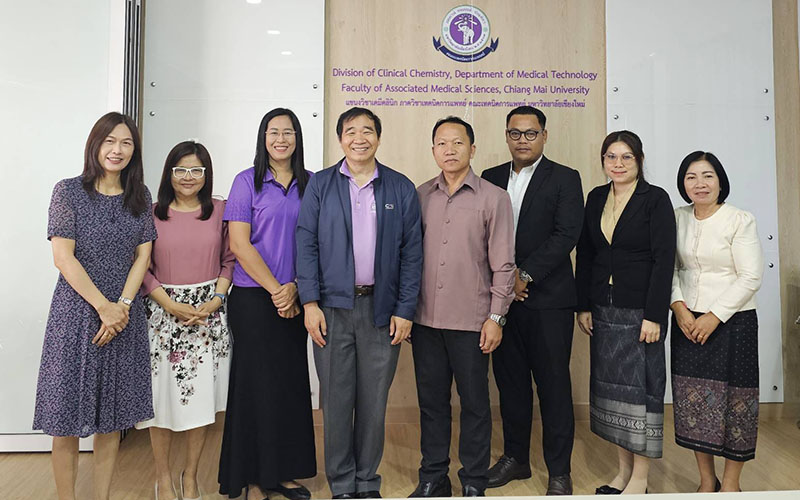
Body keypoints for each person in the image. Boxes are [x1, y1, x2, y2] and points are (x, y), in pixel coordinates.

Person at [296, 107, 422, 499]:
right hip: (331, 310)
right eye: (351, 131)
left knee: (373, 401)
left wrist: (405, 309)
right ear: (340, 139)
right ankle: (342, 483)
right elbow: (306, 243)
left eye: (368, 131)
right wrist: (310, 303)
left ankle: (367, 480)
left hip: (381, 311)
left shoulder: (399, 187)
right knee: (335, 400)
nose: (360, 138)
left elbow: (412, 253)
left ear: (379, 139)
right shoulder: (320, 185)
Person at [33, 112, 156, 500]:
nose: (117, 150)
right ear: (95, 145)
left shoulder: (141, 196)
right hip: (75, 318)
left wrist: (121, 306)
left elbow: (143, 257)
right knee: (64, 421)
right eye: (109, 141)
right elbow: (63, 257)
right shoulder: (68, 191)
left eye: (126, 143)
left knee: (112, 422)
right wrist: (105, 307)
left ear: (134, 151)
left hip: (122, 318)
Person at [410, 116, 515, 498]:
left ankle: (473, 479)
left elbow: (504, 264)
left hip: (473, 320)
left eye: (457, 143)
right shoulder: (419, 196)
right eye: (441, 143)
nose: (449, 150)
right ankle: (433, 476)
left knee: (475, 404)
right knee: (431, 403)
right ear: (433, 149)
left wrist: (496, 317)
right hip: (425, 320)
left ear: (473, 149)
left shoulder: (493, 197)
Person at [481, 106, 584, 495]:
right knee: (510, 385)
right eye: (515, 133)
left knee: (554, 386)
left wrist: (522, 276)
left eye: (530, 133)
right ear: (506, 136)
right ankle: (516, 460)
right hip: (503, 304)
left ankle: (559, 470)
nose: (522, 140)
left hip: (548, 301)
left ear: (544, 135)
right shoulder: (490, 178)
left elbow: (566, 234)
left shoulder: (565, 178)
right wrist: (504, 286)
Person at [218, 108, 316, 500]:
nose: (280, 139)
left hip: (296, 297)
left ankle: (281, 473)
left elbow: (318, 242)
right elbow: (239, 244)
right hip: (255, 300)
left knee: (290, 386)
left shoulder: (312, 183)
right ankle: (248, 474)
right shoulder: (247, 182)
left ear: (297, 138)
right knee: (254, 385)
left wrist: (294, 288)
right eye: (273, 132)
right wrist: (278, 289)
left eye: (288, 132)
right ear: (263, 138)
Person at [575, 130, 675, 495]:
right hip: (604, 307)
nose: (617, 164)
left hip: (640, 311)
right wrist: (583, 305)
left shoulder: (655, 199)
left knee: (643, 392)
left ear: (639, 160)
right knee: (613, 393)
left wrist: (655, 315)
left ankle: (642, 478)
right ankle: (622, 472)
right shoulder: (597, 197)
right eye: (610, 157)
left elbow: (664, 261)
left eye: (626, 157)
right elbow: (586, 253)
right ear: (603, 161)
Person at [135, 141, 234, 500]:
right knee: (160, 403)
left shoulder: (220, 210)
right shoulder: (151, 212)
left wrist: (216, 299)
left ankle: (189, 476)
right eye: (180, 170)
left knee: (202, 402)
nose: (188, 177)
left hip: (208, 316)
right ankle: (162, 478)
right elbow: (140, 265)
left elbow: (230, 260)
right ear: (169, 173)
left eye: (196, 170)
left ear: (206, 175)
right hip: (162, 316)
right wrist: (168, 302)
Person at [670, 151, 763, 493]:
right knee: (694, 402)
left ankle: (732, 485)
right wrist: (678, 306)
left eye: (707, 176)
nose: (700, 183)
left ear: (720, 180)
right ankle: (707, 480)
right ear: (683, 183)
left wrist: (713, 316)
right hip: (686, 322)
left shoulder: (739, 219)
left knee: (737, 405)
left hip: (733, 322)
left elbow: (751, 277)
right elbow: (668, 267)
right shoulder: (676, 217)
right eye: (691, 176)